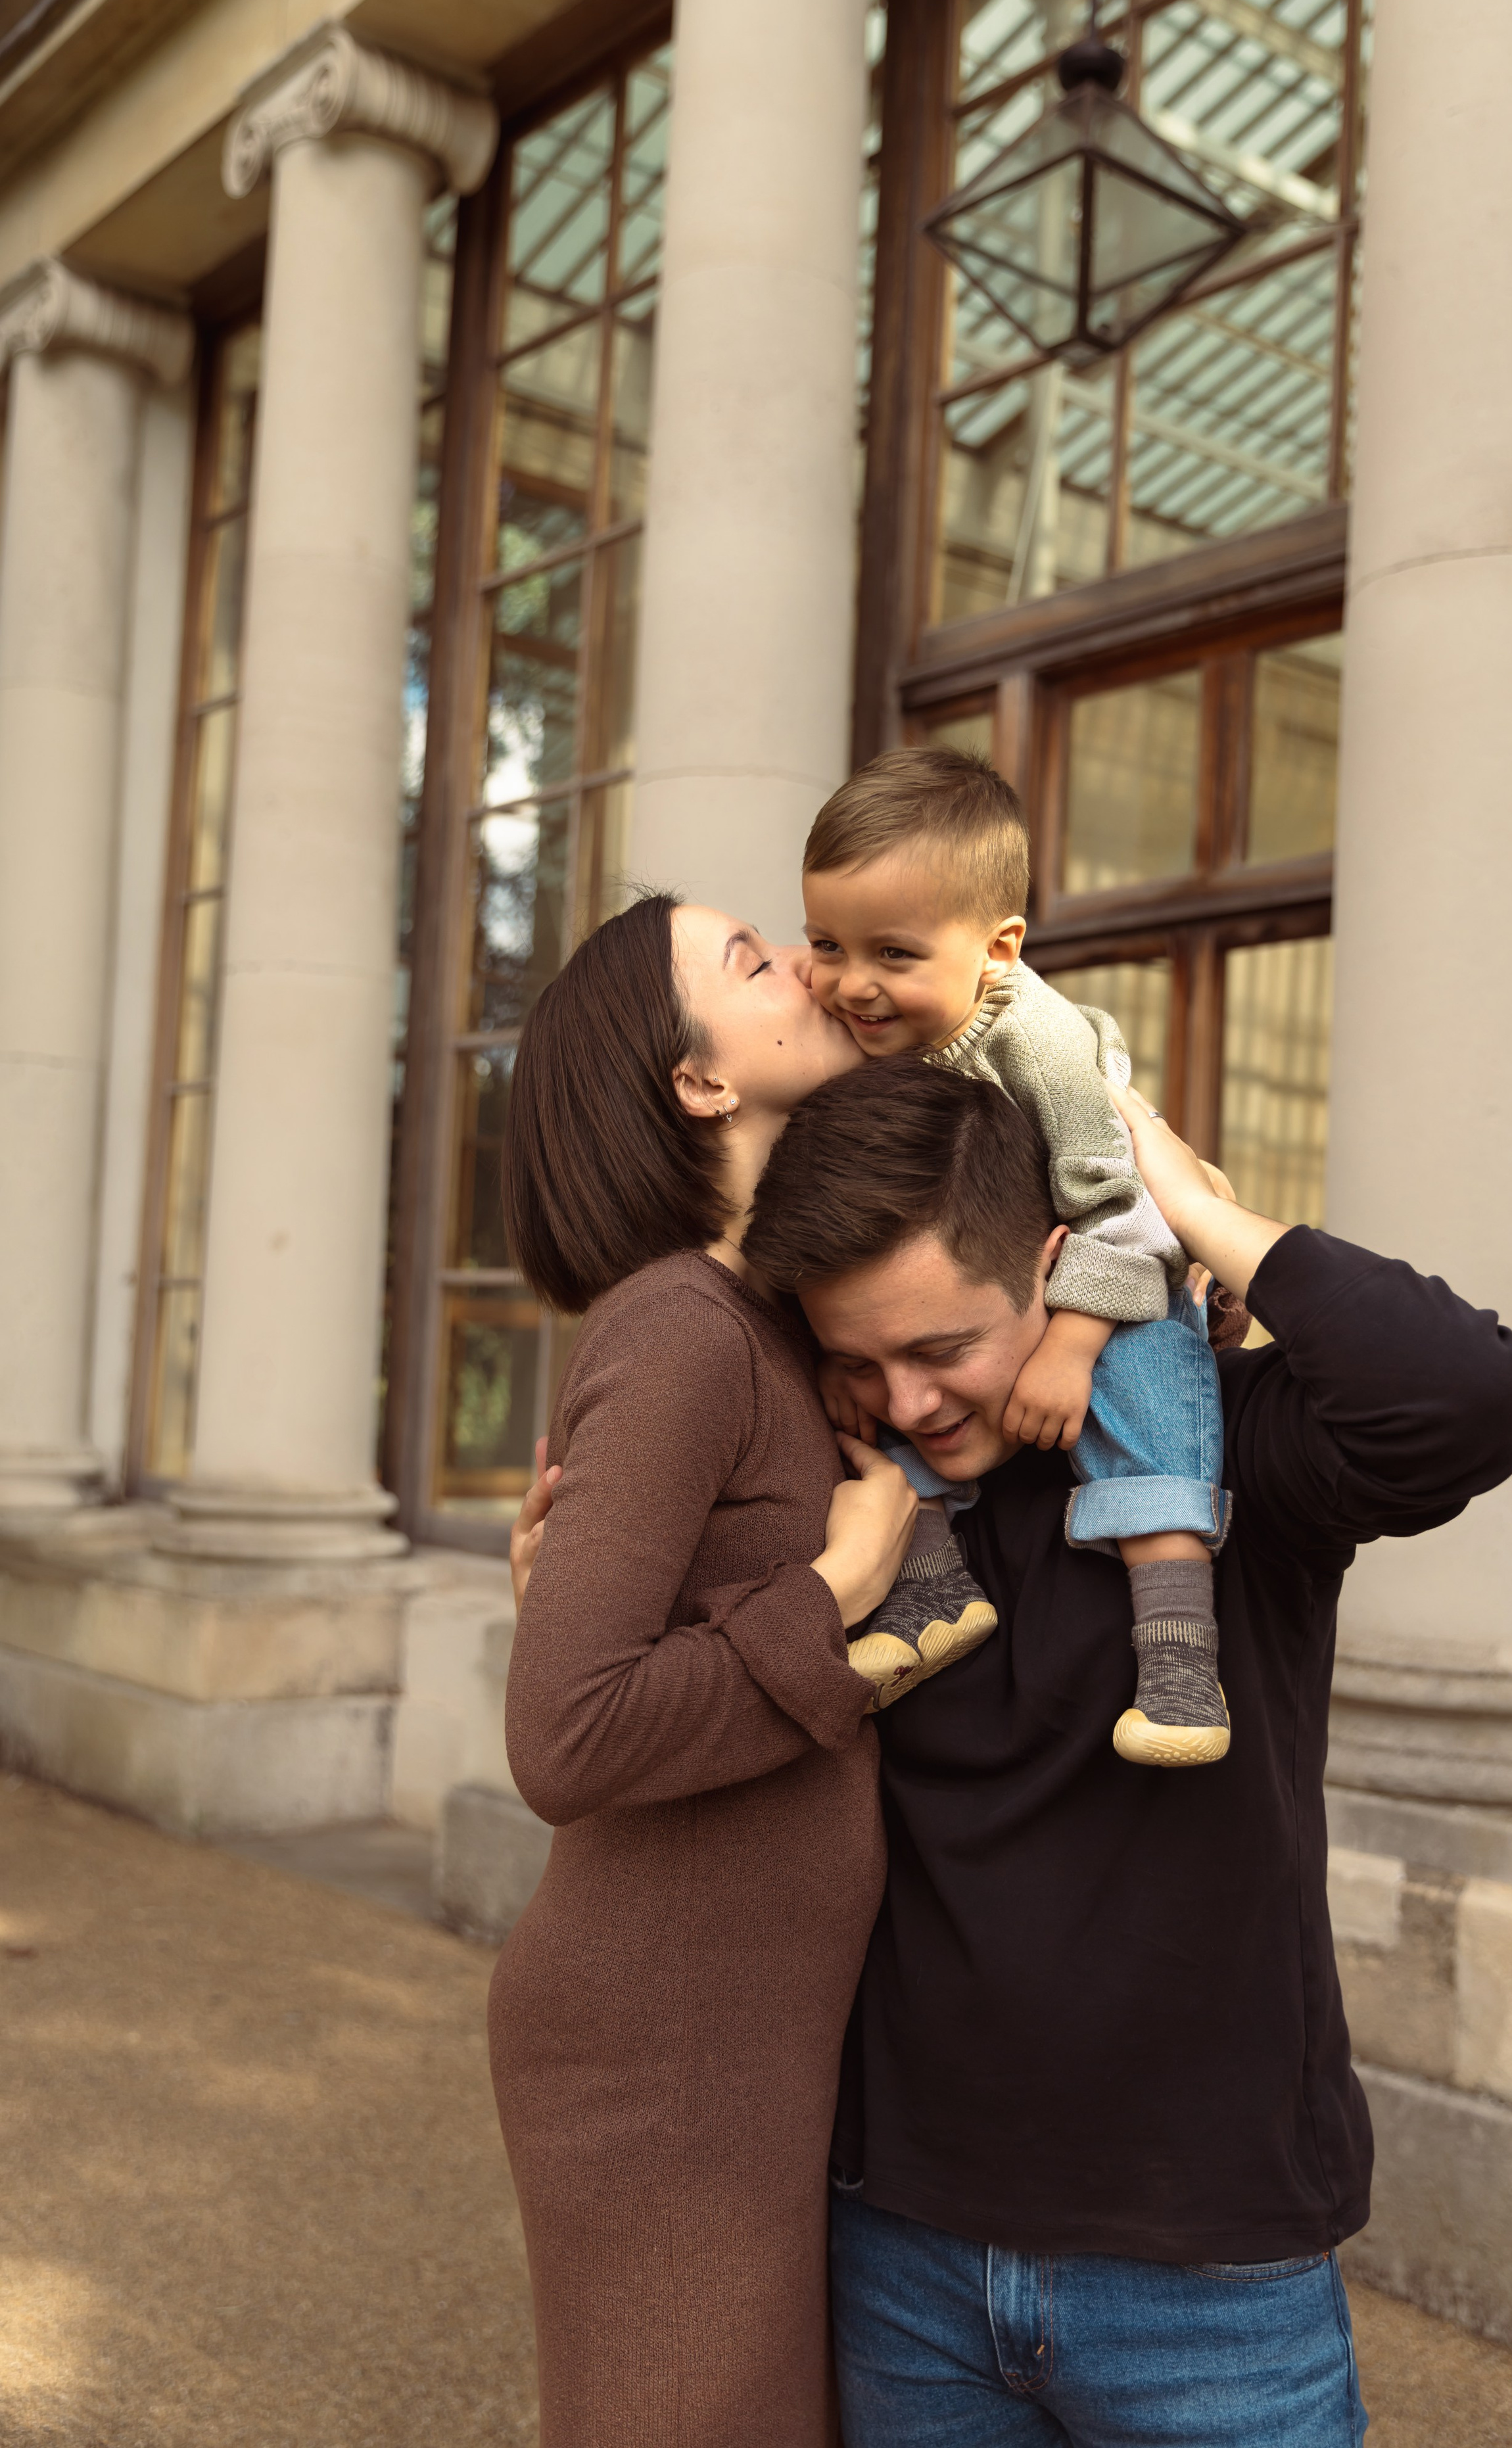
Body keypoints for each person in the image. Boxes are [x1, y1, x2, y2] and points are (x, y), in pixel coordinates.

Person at [734, 1056, 1512, 2448]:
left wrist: (1167, 1203)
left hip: (1209, 2272)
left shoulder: (1222, 1449)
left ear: (1051, 1267)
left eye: (941, 1347)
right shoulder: (858, 1497)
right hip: (900, 2246)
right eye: (857, 1360)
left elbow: (1457, 1395)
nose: (906, 1401)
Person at [487, 890, 922, 2448]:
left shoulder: (780, 1312)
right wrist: (835, 1583)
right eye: (750, 962)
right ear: (698, 1083)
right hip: (662, 2046)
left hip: (759, 2031)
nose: (802, 967)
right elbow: (566, 1734)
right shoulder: (680, 1327)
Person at [801, 747, 1231, 1767]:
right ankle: (933, 1596)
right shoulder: (878, 1024)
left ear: (999, 948)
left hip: (1115, 1262)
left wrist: (1072, 1348)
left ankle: (1181, 1664)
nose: (851, 985)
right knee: (898, 1402)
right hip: (1009, 1273)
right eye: (826, 942)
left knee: (1154, 1405)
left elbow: (1130, 1213)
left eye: (892, 955)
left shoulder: (1037, 1045)